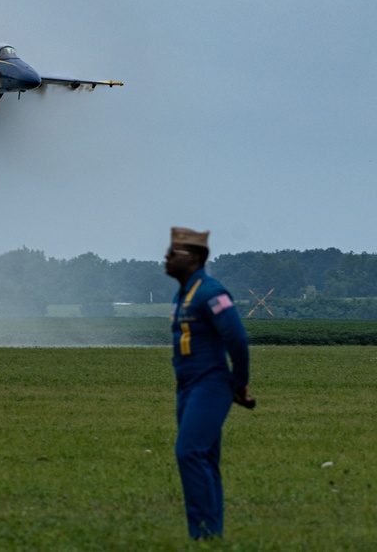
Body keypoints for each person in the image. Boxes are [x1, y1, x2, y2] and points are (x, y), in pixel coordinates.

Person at [164, 227, 254, 540]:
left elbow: (237, 338)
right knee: (204, 458)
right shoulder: (182, 292)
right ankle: (211, 536)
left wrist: (239, 383)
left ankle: (202, 534)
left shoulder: (211, 292)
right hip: (186, 386)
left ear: (195, 258)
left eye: (175, 252)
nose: (167, 256)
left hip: (211, 384)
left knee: (189, 452)